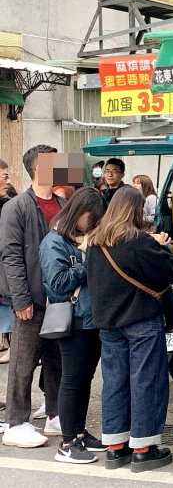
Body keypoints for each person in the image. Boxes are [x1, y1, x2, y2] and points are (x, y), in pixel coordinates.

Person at [84, 187, 173, 472]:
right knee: (146, 381)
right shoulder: (138, 240)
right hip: (140, 322)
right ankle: (143, 448)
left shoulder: (95, 242)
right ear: (136, 210)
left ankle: (115, 447)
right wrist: (161, 245)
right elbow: (169, 270)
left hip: (108, 325)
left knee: (114, 383)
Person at [0, 145, 65, 448]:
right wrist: (20, 299)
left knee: (57, 360)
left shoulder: (63, 203)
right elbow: (10, 256)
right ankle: (16, 422)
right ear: (39, 168)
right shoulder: (17, 207)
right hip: (31, 299)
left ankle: (54, 414)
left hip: (60, 298)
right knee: (23, 362)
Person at [40, 187, 107, 463]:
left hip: (92, 319)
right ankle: (67, 443)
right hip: (73, 319)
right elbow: (56, 284)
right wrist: (87, 260)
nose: (93, 225)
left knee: (84, 379)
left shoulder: (82, 239)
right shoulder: (54, 241)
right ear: (77, 213)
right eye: (90, 219)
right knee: (71, 380)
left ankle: (79, 432)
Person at [0, 158, 13, 363]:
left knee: (9, 301)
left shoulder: (10, 203)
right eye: (4, 175)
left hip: (6, 259)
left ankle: (11, 345)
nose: (7, 179)